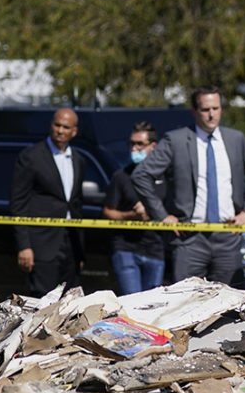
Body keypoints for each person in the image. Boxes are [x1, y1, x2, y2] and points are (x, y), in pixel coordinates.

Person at [132, 86, 245, 286]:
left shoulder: (235, 139)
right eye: (205, 110)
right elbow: (141, 175)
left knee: (230, 306)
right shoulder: (176, 140)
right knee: (185, 305)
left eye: (216, 108)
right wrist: (161, 215)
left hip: (228, 236)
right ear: (194, 111)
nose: (212, 115)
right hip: (189, 239)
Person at [10, 108, 85, 297]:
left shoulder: (78, 160)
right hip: (42, 242)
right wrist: (24, 246)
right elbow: (18, 202)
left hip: (71, 242)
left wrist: (80, 252)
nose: (60, 130)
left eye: (65, 127)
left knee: (71, 300)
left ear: (74, 132)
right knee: (42, 300)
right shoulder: (32, 157)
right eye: (57, 125)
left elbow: (76, 203)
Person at [102, 121, 166, 295]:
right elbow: (108, 211)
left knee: (150, 306)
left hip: (155, 249)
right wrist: (132, 215)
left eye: (139, 144)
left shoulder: (165, 176)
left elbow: (175, 209)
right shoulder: (121, 176)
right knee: (131, 303)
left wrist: (155, 211)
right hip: (126, 248)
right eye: (131, 143)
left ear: (153, 146)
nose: (134, 148)